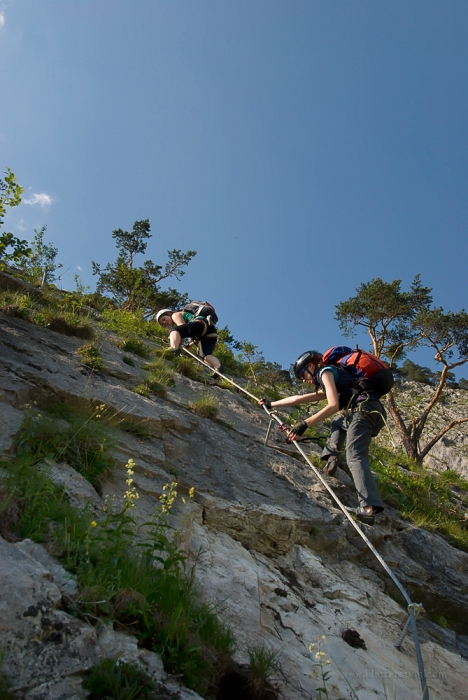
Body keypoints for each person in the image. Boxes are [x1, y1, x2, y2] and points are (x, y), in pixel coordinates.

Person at [260, 350, 386, 525]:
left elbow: (333, 405)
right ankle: (331, 458)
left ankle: (368, 510)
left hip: (362, 411)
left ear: (311, 365)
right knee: (338, 422)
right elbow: (300, 398)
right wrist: (271, 404)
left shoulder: (325, 372)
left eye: (302, 374)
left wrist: (304, 424)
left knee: (355, 457)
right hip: (370, 410)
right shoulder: (335, 378)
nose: (303, 380)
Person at [156, 308, 222, 373]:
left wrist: (174, 338)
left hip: (200, 323)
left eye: (164, 319)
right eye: (163, 323)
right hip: (209, 331)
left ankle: (173, 349)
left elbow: (182, 326)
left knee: (173, 331)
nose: (165, 322)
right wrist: (189, 345)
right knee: (205, 356)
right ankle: (218, 368)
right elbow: (191, 331)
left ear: (168, 313)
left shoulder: (175, 315)